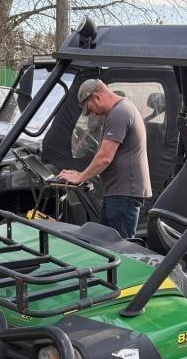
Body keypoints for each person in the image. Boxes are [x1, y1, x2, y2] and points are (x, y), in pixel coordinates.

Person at [58, 79, 151, 239]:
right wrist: (80, 174)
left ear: (97, 97)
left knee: (120, 248)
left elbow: (104, 158)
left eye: (90, 109)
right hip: (118, 192)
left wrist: (80, 177)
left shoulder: (119, 113)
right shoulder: (120, 110)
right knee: (104, 244)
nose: (93, 113)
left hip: (124, 195)